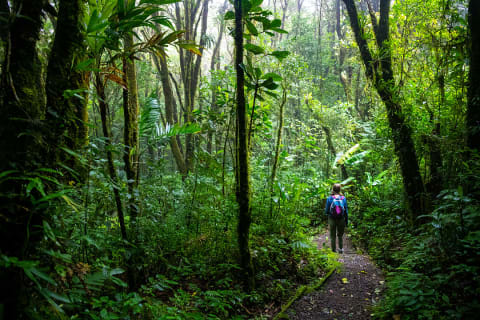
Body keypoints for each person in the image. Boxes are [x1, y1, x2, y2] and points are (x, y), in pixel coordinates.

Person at [324, 183, 348, 253]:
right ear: (340, 190)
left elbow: (326, 211)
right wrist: (346, 221)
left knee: (332, 235)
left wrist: (330, 215)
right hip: (341, 218)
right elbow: (346, 210)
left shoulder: (329, 198)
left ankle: (333, 250)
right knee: (340, 235)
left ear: (333, 189)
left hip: (332, 218)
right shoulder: (343, 198)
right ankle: (340, 249)